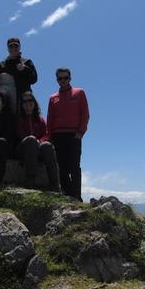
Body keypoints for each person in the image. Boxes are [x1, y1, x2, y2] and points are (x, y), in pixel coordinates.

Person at [46, 68, 90, 202]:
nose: (63, 80)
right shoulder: (53, 98)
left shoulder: (79, 93)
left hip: (73, 135)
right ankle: (66, 196)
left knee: (74, 166)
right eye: (60, 78)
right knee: (62, 167)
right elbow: (50, 119)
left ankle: (76, 197)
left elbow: (85, 115)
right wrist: (50, 137)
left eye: (65, 78)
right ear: (57, 80)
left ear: (70, 78)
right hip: (58, 136)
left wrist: (80, 133)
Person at [16, 91, 61, 191]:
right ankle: (30, 180)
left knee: (47, 145)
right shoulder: (19, 119)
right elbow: (20, 135)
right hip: (23, 149)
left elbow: (46, 134)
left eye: (30, 100)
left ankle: (55, 184)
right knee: (31, 140)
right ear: (22, 105)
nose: (28, 103)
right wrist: (34, 140)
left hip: (38, 148)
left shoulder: (40, 120)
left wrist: (40, 141)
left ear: (34, 103)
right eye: (25, 101)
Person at [0, 37, 38, 116]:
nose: (13, 48)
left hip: (24, 103)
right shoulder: (2, 65)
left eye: (16, 46)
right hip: (8, 103)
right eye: (11, 46)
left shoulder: (26, 62)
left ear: (20, 47)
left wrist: (25, 69)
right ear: (7, 48)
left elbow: (34, 79)